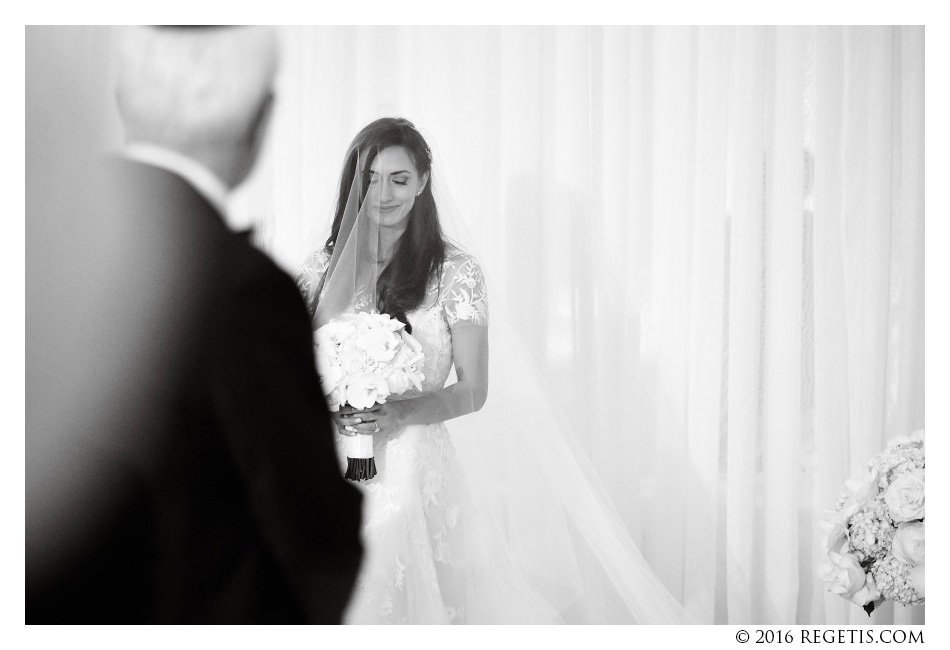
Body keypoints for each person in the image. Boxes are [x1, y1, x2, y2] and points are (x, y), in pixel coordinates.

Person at [26, 26, 363, 623]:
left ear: (124, 97)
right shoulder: (239, 286)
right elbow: (313, 535)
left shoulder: (35, 235)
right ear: (260, 121)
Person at [296, 117, 693, 624]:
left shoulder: (455, 273)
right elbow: (293, 373)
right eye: (370, 178)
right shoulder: (318, 271)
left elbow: (474, 389)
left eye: (399, 178)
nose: (384, 193)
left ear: (421, 182)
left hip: (415, 468)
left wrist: (401, 413)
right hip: (331, 463)